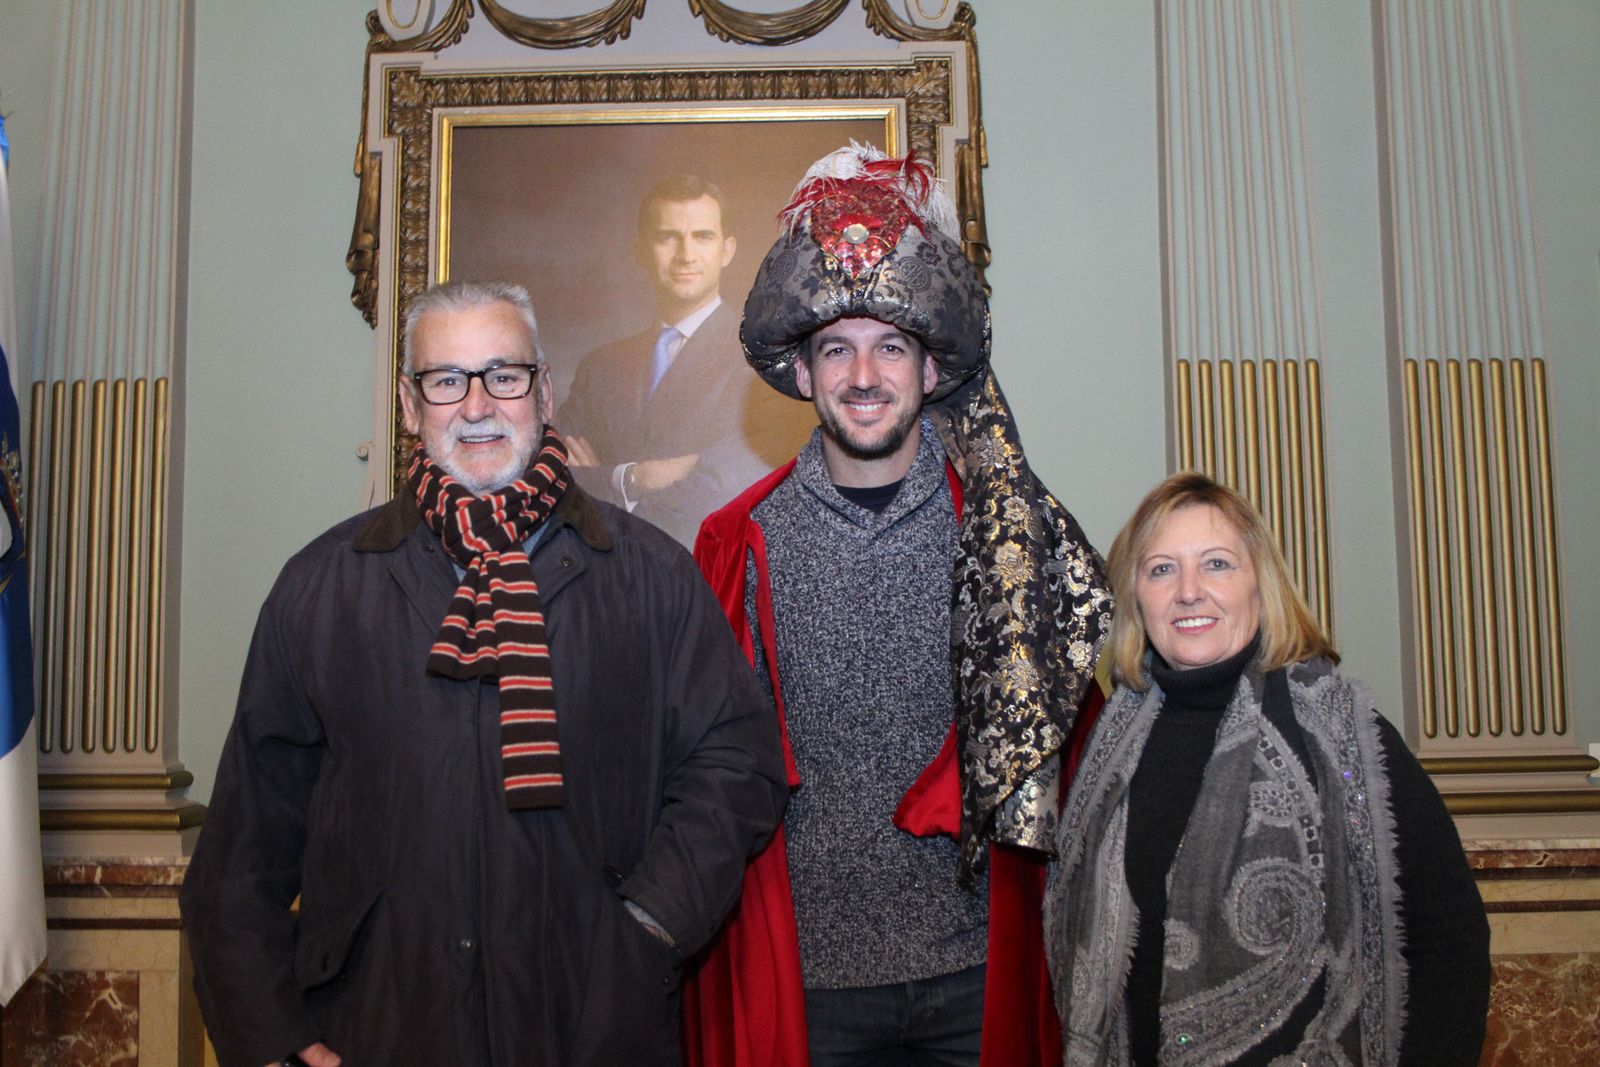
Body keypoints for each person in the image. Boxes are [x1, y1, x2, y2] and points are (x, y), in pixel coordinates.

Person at [179, 280, 788, 1067]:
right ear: (409, 405)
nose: (477, 405)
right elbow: (241, 853)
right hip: (379, 1028)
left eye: (504, 375)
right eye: (446, 380)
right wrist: (271, 1042)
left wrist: (648, 925)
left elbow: (737, 766)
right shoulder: (322, 587)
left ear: (541, 393)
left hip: (595, 1027)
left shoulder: (651, 578)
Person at [686, 145, 1113, 1067]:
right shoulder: (737, 545)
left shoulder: (1008, 532)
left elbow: (1084, 751)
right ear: (801, 373)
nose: (863, 373)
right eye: (836, 348)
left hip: (977, 969)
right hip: (812, 986)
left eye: (891, 346)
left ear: (930, 370)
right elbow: (701, 772)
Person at [1045, 472, 1490, 1065]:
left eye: (1218, 564)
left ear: (1262, 584)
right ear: (1135, 597)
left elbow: (1450, 942)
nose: (1189, 591)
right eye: (1161, 569)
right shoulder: (1103, 748)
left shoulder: (1346, 739)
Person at [558, 175, 816, 547]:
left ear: (727, 251)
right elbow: (553, 479)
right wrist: (636, 478)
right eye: (667, 237)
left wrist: (604, 478)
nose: (686, 255)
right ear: (640, 251)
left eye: (702, 237)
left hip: (706, 581)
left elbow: (718, 492)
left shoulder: (763, 358)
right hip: (604, 586)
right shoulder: (600, 367)